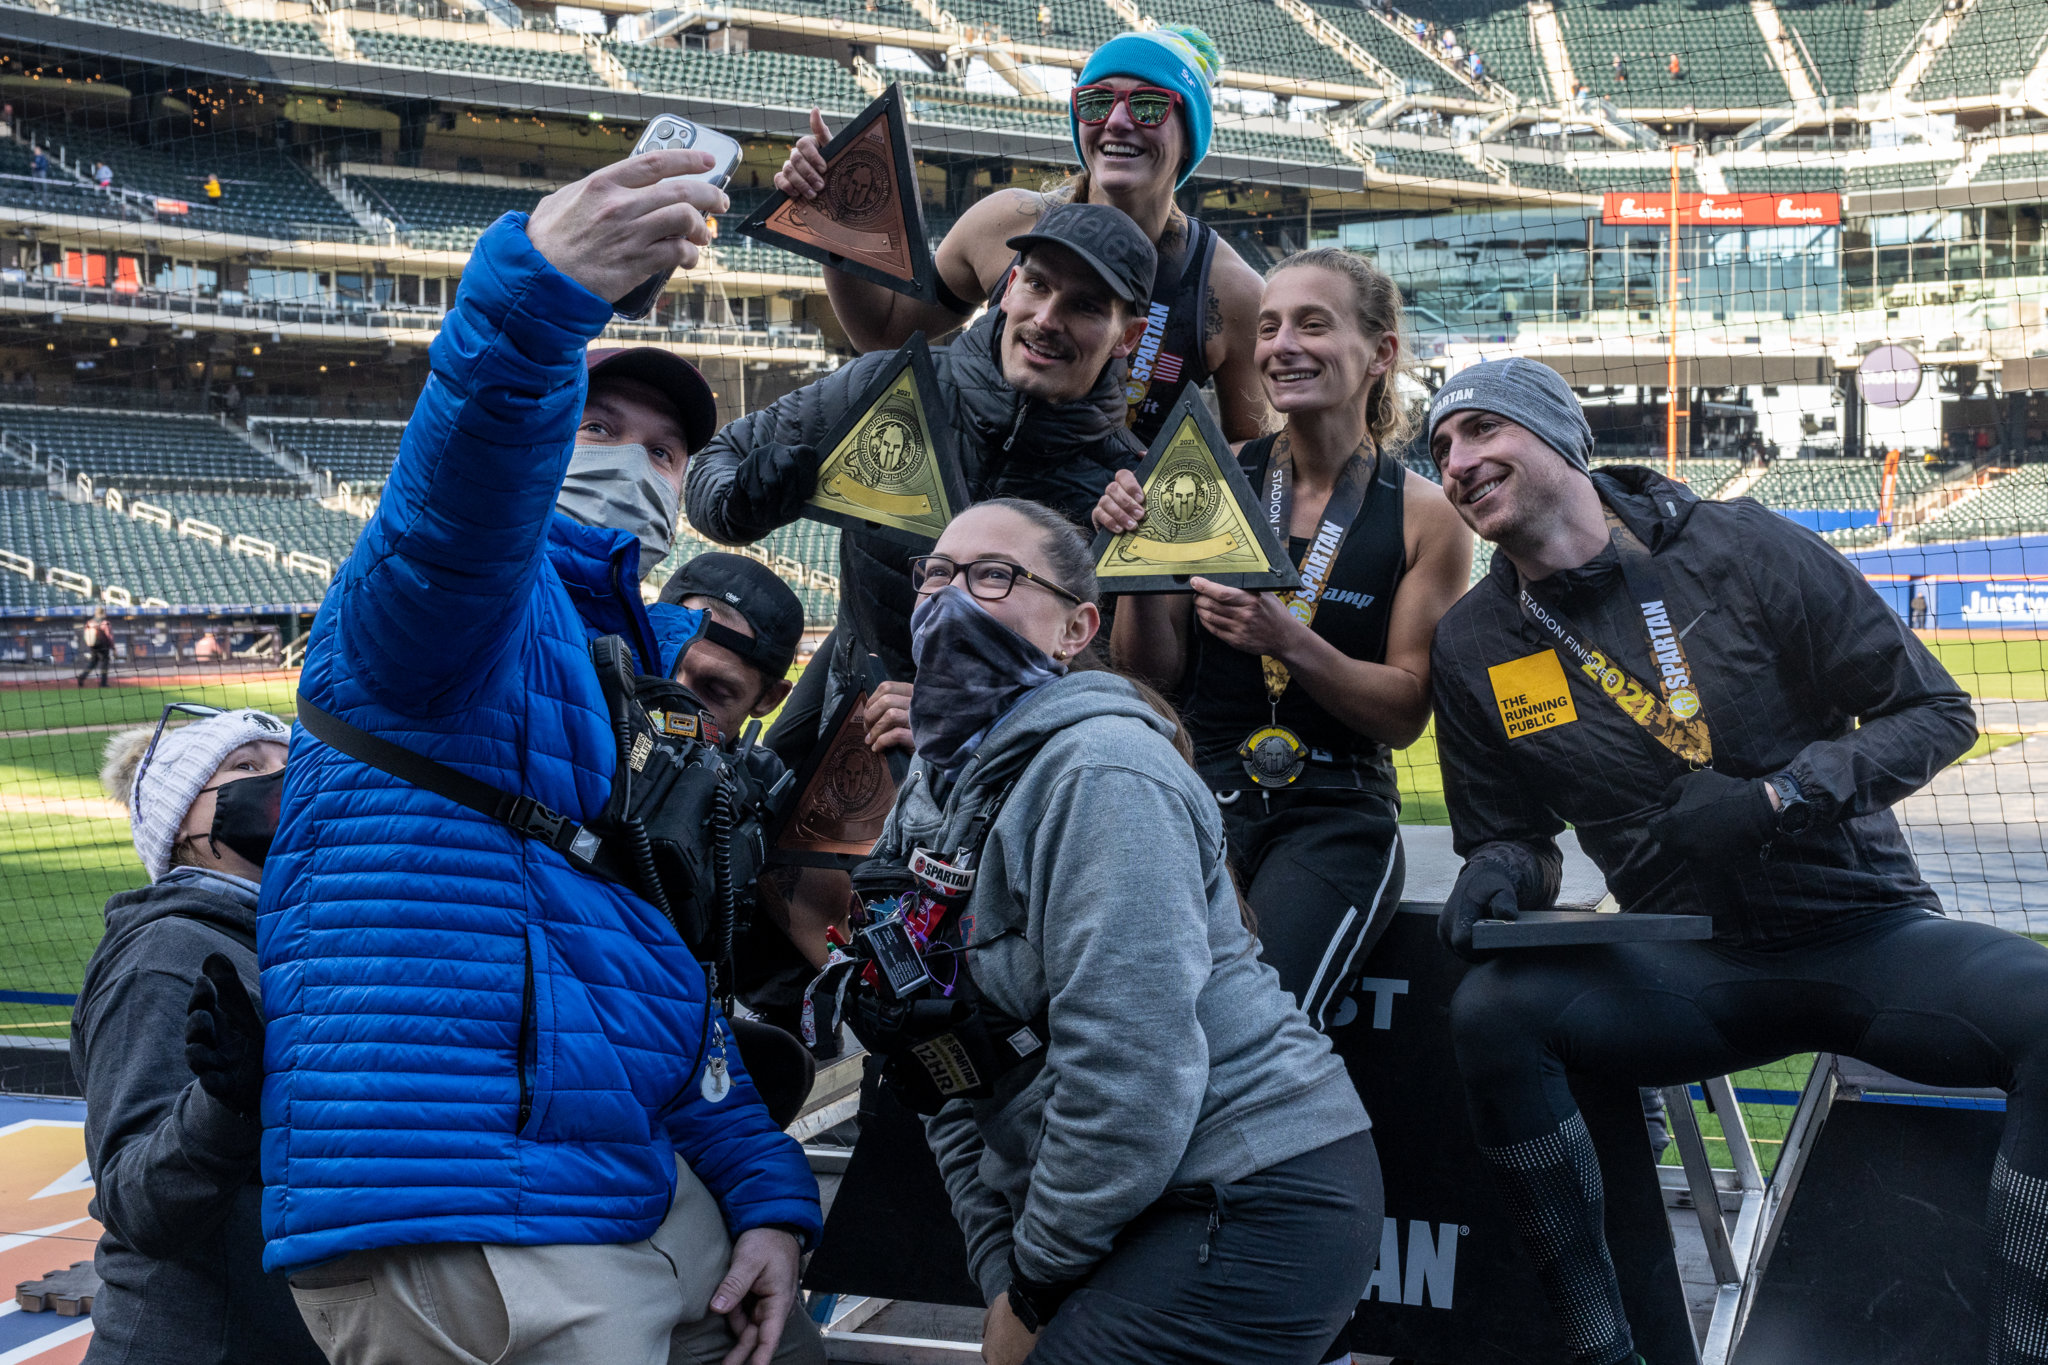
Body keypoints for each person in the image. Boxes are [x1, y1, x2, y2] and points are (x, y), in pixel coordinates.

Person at [260, 148, 826, 1365]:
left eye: (665, 449)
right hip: (470, 1202)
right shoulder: (462, 617)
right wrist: (533, 313)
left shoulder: (629, 688)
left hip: (586, 1187)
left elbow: (646, 986)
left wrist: (771, 1197)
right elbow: (454, 516)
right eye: (599, 423)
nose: (633, 459)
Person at [1424, 357, 2048, 1365]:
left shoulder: (1739, 545)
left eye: (1479, 431)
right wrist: (1495, 872)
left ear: (1554, 439)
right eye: (1438, 448)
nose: (1454, 461)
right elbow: (1509, 834)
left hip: (1862, 932)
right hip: (1687, 960)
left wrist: (1780, 796)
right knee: (1495, 1013)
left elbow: (1934, 713)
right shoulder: (1474, 642)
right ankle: (1611, 1352)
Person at [872, 497, 1380, 1363]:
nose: (951, 598)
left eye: (993, 576)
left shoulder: (1102, 769)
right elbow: (938, 1066)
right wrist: (1003, 1277)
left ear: (1077, 628)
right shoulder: (930, 791)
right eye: (937, 575)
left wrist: (1032, 1289)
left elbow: (1134, 1072)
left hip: (1248, 1197)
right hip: (1123, 1204)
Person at [687, 201, 1154, 952]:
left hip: (1001, 796)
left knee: (943, 969)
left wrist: (965, 716)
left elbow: (1124, 688)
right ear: (1005, 287)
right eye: (1035, 285)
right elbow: (713, 473)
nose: (1047, 317)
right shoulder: (888, 386)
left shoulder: (1127, 490)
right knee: (737, 901)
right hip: (849, 694)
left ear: (1128, 335)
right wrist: (742, 499)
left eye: (1086, 305)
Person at [1095, 249, 1472, 1033]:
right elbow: (1147, 675)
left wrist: (1288, 639)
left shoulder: (1423, 514)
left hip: (1334, 814)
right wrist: (1135, 560)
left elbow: (1405, 710)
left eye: (1312, 323)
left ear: (1380, 352)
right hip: (1200, 802)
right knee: (1141, 1021)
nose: (1280, 345)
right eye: (1267, 327)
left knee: (1251, 1027)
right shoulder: (1213, 472)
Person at [774, 26, 1269, 444]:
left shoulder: (1230, 292)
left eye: (1149, 106)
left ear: (1190, 137)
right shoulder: (1007, 222)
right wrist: (833, 218)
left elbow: (1250, 462)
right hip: (971, 530)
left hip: (1107, 544)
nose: (1117, 121)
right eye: (1096, 102)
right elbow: (882, 334)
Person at [76, 705, 324, 1365]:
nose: (280, 777)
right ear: (181, 820)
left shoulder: (289, 941)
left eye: (288, 761)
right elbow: (138, 1203)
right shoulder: (166, 949)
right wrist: (226, 1106)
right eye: (246, 767)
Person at [77, 607, 113, 687]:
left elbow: (85, 635)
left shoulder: (89, 622)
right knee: (104, 664)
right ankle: (103, 683)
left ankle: (82, 677)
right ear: (103, 613)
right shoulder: (105, 623)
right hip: (103, 646)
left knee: (93, 663)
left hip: (93, 646)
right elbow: (109, 636)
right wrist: (113, 648)